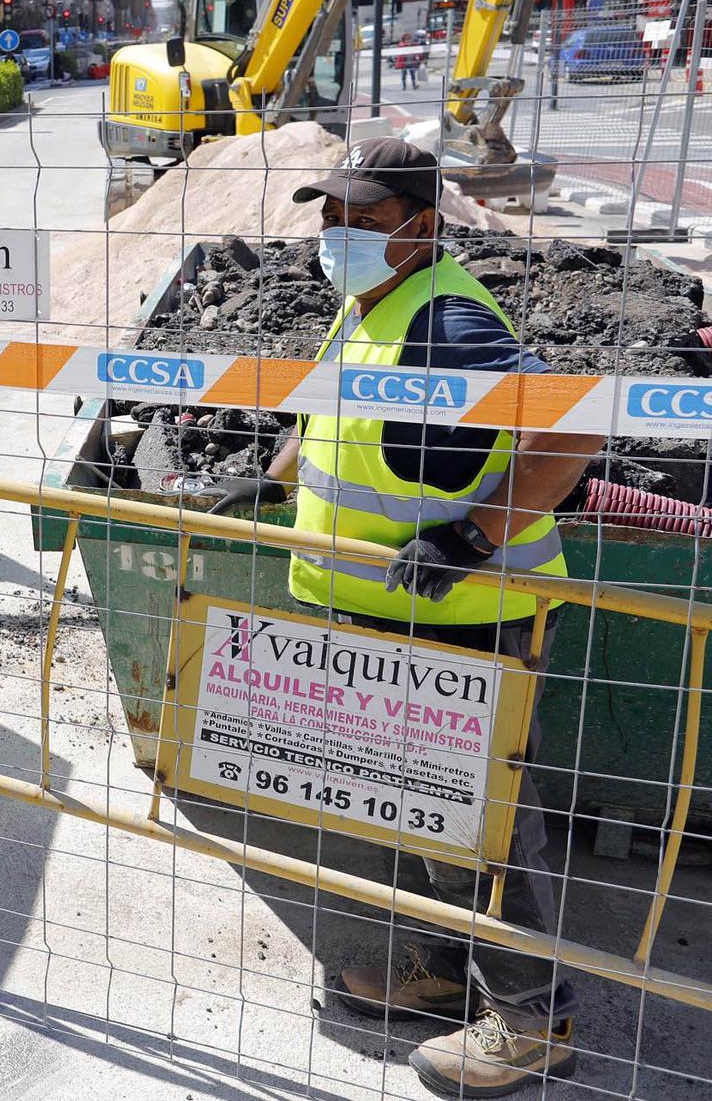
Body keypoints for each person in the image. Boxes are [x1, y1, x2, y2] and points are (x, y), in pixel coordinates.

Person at [211, 138, 602, 1098]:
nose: (338, 232)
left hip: (467, 620)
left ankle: (529, 1023)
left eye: (365, 217)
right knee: (423, 816)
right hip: (386, 624)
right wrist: (263, 485)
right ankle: (451, 977)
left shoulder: (448, 323)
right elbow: (334, 427)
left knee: (485, 832)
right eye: (330, 214)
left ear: (421, 227)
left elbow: (578, 423)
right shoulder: (371, 306)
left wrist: (472, 536)